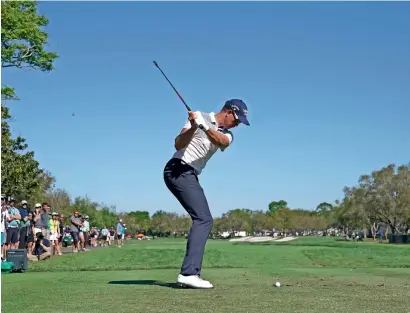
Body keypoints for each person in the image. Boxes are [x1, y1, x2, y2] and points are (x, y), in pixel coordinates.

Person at [163, 99, 250, 289]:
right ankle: (189, 273)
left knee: (203, 218)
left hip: (190, 174)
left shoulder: (227, 134)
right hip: (177, 169)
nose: (237, 124)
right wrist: (195, 126)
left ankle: (189, 273)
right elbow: (178, 145)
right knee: (204, 219)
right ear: (228, 112)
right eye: (237, 119)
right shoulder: (199, 117)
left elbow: (221, 141)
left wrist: (206, 127)